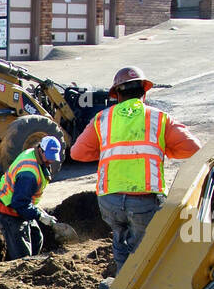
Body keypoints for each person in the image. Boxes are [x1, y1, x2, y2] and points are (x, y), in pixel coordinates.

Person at [69, 65, 200, 270]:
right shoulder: (158, 118)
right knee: (144, 252)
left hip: (109, 201)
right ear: (144, 92)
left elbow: (77, 153)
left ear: (117, 95)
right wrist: (164, 149)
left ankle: (121, 280)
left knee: (120, 242)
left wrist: (106, 150)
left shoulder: (103, 119)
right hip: (144, 201)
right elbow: (194, 149)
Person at [0, 135, 63, 259]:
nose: (51, 161)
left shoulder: (36, 155)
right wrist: (40, 216)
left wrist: (37, 210)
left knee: (37, 238)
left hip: (20, 207)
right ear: (40, 150)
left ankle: (33, 266)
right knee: (22, 254)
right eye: (49, 157)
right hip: (8, 211)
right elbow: (19, 203)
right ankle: (19, 272)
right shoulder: (28, 173)